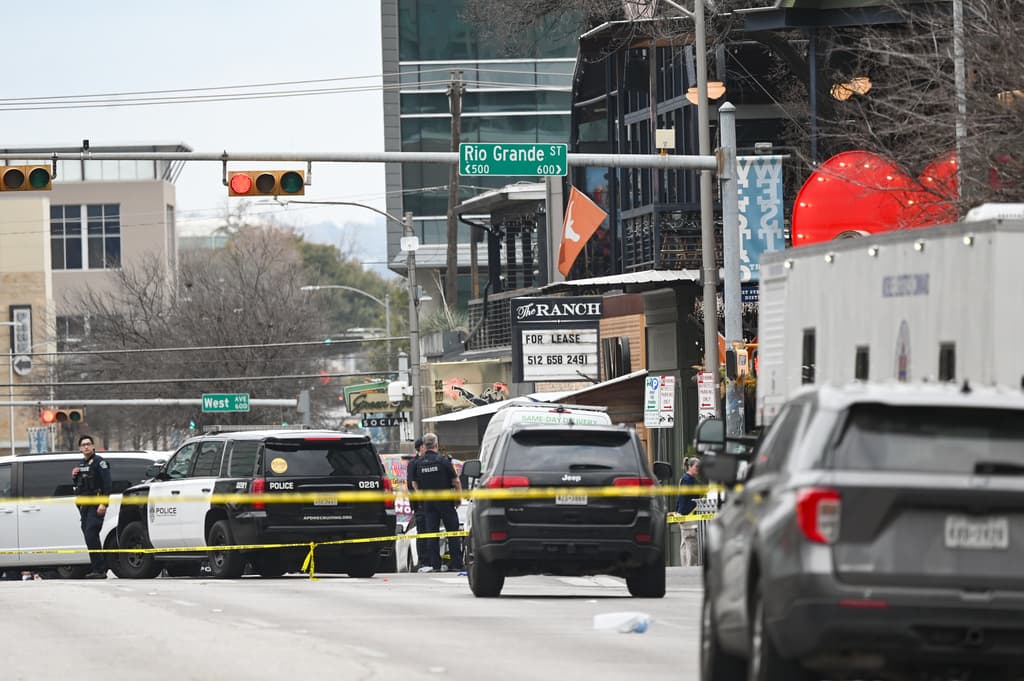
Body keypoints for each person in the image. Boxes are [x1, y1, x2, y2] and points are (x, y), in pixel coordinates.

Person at [410, 432, 463, 573]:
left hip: (428, 503)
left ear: (424, 446)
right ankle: (456, 563)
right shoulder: (443, 461)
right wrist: (458, 498)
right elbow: (456, 481)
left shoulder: (419, 463)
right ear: (436, 445)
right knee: (452, 532)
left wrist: (421, 498)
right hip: (445, 501)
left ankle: (436, 565)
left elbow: (414, 484)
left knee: (431, 534)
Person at [71, 435, 112, 579]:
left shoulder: (100, 463)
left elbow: (107, 484)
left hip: (96, 503)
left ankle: (99, 569)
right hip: (85, 505)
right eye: (83, 445)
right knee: (89, 537)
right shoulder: (81, 464)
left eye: (88, 444)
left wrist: (104, 503)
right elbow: (79, 486)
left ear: (93, 446)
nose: (86, 447)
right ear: (80, 448)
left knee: (91, 533)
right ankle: (98, 568)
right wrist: (74, 476)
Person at [404, 438, 429, 569]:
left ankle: (432, 559)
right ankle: (423, 560)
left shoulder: (429, 461)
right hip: (420, 504)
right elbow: (411, 484)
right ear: (420, 448)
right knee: (423, 532)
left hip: (431, 504)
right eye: (425, 446)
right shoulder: (414, 463)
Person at [676, 457, 702, 567]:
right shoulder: (687, 480)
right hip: (688, 517)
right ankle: (690, 568)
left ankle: (685, 568)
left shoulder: (688, 479)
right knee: (691, 543)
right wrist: (680, 514)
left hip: (686, 516)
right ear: (690, 466)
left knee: (685, 544)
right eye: (696, 466)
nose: (698, 469)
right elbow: (682, 498)